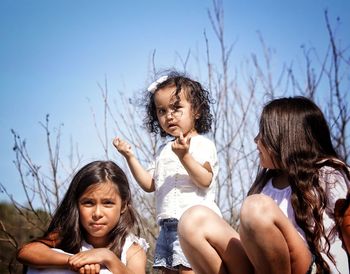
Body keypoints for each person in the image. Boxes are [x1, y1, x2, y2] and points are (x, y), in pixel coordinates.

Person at [178, 96, 350, 274]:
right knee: (193, 220)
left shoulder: (328, 173)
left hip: (313, 267)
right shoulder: (266, 183)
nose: (256, 139)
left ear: (286, 138)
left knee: (256, 207)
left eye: (264, 134)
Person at [113, 71, 221, 273]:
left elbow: (205, 179)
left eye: (176, 108)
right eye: (161, 111)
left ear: (196, 110)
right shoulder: (164, 151)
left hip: (194, 226)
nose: (169, 115)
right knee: (167, 270)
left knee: (189, 269)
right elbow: (149, 184)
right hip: (167, 227)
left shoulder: (202, 145)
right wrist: (130, 157)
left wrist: (185, 157)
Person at [17, 160, 149, 274]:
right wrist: (76, 261)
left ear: (123, 206)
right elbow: (25, 252)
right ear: (76, 204)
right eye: (88, 203)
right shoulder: (67, 236)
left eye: (108, 203)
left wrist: (108, 257)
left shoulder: (132, 249)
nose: (97, 213)